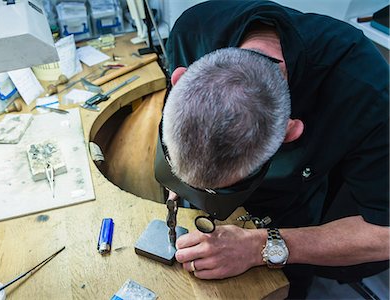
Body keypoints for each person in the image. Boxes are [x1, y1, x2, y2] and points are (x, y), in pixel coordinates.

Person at [161, 1, 389, 298]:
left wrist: (260, 247)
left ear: (289, 132)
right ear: (181, 78)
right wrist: (177, 182)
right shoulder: (192, 29)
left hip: (291, 214)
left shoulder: (367, 89)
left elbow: (384, 233)